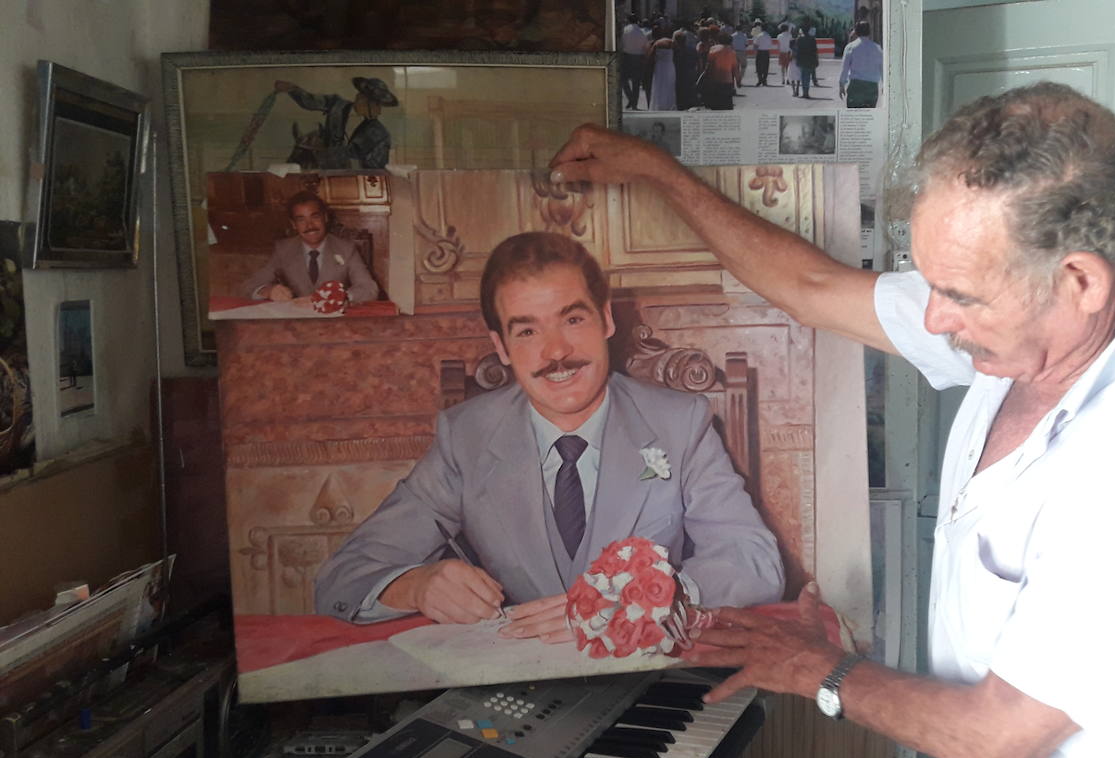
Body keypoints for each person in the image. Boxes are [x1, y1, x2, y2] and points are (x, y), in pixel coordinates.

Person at [549, 81, 1115, 758]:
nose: (932, 320)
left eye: (958, 294)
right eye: (928, 282)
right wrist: (658, 173)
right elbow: (813, 290)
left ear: (1081, 280)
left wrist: (818, 669)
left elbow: (999, 736)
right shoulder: (1041, 320)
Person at [314, 231, 784, 640]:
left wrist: (646, 595)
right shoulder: (466, 437)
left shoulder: (681, 423)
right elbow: (341, 579)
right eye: (526, 331)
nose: (556, 352)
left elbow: (753, 559)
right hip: (518, 691)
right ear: (499, 346)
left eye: (573, 319)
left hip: (644, 677)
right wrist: (416, 586)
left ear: (606, 319)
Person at [240, 190, 379, 303]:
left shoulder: (346, 248)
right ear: (293, 224)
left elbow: (369, 288)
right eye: (301, 220)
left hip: (334, 321)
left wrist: (340, 297)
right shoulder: (283, 249)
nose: (310, 226)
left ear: (325, 218)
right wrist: (268, 291)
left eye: (315, 217)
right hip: (296, 324)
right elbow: (248, 286)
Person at [275, 77, 397, 169]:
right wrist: (292, 89)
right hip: (325, 171)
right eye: (376, 104)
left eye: (380, 105)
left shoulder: (378, 133)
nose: (379, 111)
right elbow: (310, 101)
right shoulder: (336, 105)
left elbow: (353, 154)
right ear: (360, 98)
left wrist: (318, 154)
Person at [838, 20, 883, 108]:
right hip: (872, 87)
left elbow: (845, 69)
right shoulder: (877, 48)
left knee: (855, 118)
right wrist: (884, 85)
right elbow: (882, 68)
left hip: (856, 87)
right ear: (869, 32)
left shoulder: (850, 47)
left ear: (857, 32)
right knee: (869, 118)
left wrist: (841, 85)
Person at [702, 29, 739, 110]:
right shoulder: (732, 52)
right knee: (726, 107)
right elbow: (735, 68)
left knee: (715, 107)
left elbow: (708, 66)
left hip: (714, 81)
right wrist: (738, 81)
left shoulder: (713, 49)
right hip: (727, 82)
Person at [619, 13, 649, 110]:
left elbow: (621, 44)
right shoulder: (642, 32)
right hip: (639, 57)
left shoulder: (625, 30)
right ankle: (634, 103)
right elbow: (645, 47)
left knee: (623, 80)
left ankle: (631, 99)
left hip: (627, 56)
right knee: (636, 82)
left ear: (628, 20)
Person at [645, 26, 677, 111]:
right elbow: (677, 54)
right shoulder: (672, 42)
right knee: (669, 86)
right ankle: (669, 105)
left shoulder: (657, 43)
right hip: (670, 66)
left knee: (659, 86)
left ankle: (659, 105)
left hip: (659, 66)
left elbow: (650, 56)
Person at [673, 28, 700, 110]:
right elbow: (697, 62)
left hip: (678, 74)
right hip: (690, 74)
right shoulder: (691, 49)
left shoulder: (674, 50)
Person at [795, 25, 819, 98]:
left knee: (803, 76)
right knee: (807, 77)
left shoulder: (799, 39)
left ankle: (804, 92)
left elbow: (797, 50)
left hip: (801, 59)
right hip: (810, 59)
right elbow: (815, 51)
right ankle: (806, 93)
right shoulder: (812, 39)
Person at [752, 22, 772, 87]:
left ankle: (760, 80)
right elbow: (770, 45)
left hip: (760, 52)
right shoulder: (769, 36)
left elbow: (755, 44)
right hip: (766, 52)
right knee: (766, 66)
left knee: (758, 66)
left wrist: (755, 51)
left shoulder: (759, 35)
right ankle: (764, 80)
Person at [731, 24, 749, 89]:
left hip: (734, 52)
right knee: (743, 66)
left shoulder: (732, 36)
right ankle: (739, 79)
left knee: (735, 67)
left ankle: (734, 81)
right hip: (741, 52)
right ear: (741, 29)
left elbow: (730, 44)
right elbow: (746, 44)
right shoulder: (744, 35)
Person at [776, 23, 794, 91]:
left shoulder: (779, 36)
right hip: (788, 52)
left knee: (782, 67)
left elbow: (778, 44)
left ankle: (783, 79)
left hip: (782, 52)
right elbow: (791, 44)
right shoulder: (790, 35)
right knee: (788, 67)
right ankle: (788, 79)